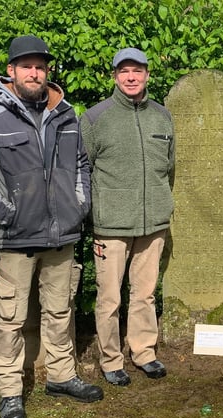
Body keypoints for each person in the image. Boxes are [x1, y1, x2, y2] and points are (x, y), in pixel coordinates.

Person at [0, 35, 102, 418]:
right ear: (10, 71)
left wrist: (79, 204)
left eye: (40, 66)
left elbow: (81, 167)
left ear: (47, 72)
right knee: (9, 318)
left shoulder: (67, 116)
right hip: (14, 240)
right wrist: (7, 213)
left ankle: (61, 376)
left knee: (61, 310)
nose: (34, 72)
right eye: (26, 66)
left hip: (62, 235)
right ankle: (10, 393)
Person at [80, 47, 174, 387]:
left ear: (148, 74)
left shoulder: (162, 116)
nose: (131, 77)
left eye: (137, 71)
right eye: (124, 72)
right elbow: (81, 170)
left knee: (145, 293)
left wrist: (161, 203)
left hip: (154, 224)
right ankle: (110, 359)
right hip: (111, 226)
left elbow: (169, 168)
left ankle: (144, 352)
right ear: (115, 76)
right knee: (109, 297)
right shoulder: (94, 119)